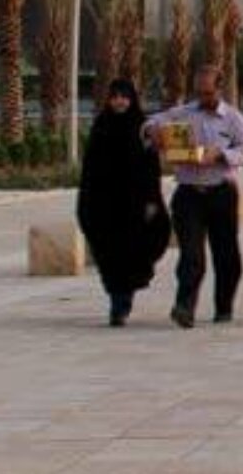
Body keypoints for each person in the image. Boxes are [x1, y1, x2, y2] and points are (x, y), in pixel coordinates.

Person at [142, 64, 243, 327]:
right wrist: (152, 132)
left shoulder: (234, 119)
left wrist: (222, 155)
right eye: (199, 93)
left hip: (221, 192)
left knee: (226, 253)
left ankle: (224, 306)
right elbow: (151, 122)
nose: (202, 98)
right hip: (189, 193)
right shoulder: (183, 113)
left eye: (207, 92)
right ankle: (184, 307)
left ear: (219, 88)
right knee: (191, 254)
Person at [77, 77, 170, 327]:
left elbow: (152, 167)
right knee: (109, 257)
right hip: (105, 205)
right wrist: (86, 202)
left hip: (134, 205)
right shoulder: (101, 126)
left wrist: (152, 200)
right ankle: (117, 303)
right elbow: (89, 168)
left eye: (124, 96)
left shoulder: (142, 127)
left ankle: (122, 302)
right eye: (115, 96)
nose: (119, 101)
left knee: (131, 254)